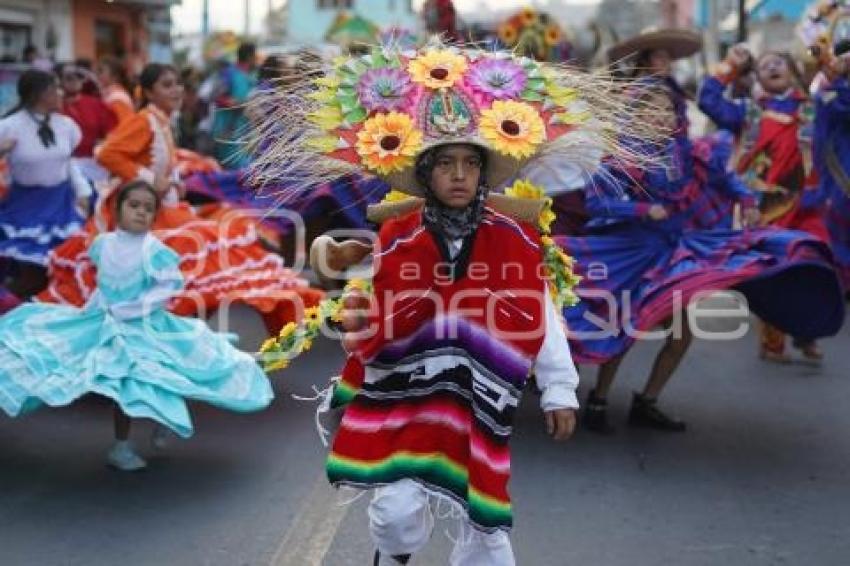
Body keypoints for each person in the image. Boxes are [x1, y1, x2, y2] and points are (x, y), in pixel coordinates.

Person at [251, 41, 660, 565]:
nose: (461, 174)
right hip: (402, 390)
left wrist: (559, 389)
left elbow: (538, 311)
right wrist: (338, 253)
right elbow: (348, 278)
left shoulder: (512, 238)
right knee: (396, 516)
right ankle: (393, 556)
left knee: (485, 523)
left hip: (478, 394)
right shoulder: (398, 235)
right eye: (447, 164)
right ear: (426, 174)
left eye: (471, 163)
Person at [557, 30, 845, 433]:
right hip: (632, 253)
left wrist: (745, 197)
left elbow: (724, 179)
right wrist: (644, 208)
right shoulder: (623, 157)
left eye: (665, 108)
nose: (660, 114)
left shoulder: (687, 150)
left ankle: (647, 401)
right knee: (626, 330)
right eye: (650, 108)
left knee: (679, 337)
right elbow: (594, 203)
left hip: (674, 253)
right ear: (635, 114)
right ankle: (599, 400)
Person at [0, 180, 274, 471]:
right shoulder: (102, 245)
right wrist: (91, 311)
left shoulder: (153, 249)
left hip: (146, 325)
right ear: (118, 210)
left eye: (148, 208)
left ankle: (163, 419)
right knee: (122, 385)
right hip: (107, 322)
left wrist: (134, 308)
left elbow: (166, 288)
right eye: (134, 206)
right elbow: (101, 285)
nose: (140, 212)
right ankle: (122, 446)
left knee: (164, 375)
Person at [38, 63, 323, 333]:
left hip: (162, 206)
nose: (176, 91)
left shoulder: (160, 120)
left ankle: (184, 334)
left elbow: (155, 162)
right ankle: (169, 334)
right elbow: (108, 154)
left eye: (178, 85)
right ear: (148, 92)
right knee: (198, 261)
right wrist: (151, 181)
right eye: (167, 85)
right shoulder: (144, 120)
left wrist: (172, 183)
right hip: (146, 213)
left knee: (205, 266)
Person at [698, 45, 829, 363]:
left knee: (816, 266)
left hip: (807, 202)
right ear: (757, 77)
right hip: (764, 205)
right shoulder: (749, 111)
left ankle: (806, 330)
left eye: (779, 62)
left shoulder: (815, 108)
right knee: (776, 271)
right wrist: (730, 65)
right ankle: (773, 341)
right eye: (765, 65)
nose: (772, 67)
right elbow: (708, 100)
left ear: (793, 71)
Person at [0, 69, 90, 300]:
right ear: (40, 94)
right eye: (55, 88)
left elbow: (68, 162)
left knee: (59, 263)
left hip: (60, 203)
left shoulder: (67, 126)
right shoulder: (9, 127)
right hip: (24, 205)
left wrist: (83, 191)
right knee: (31, 268)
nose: (61, 93)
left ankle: (45, 304)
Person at [58, 62, 117, 187]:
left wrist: (105, 143)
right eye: (69, 77)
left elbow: (114, 133)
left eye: (78, 76)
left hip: (95, 166)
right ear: (59, 81)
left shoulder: (96, 105)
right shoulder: (53, 107)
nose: (74, 80)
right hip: (62, 167)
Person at [211, 43, 257, 168]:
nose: (256, 60)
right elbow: (217, 97)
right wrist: (239, 104)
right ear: (249, 56)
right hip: (228, 131)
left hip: (244, 132)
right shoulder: (228, 73)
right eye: (255, 56)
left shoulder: (251, 77)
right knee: (232, 170)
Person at [96, 56, 135, 123]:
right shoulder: (107, 94)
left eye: (101, 71)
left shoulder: (118, 98)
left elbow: (123, 127)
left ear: (115, 76)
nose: (97, 75)